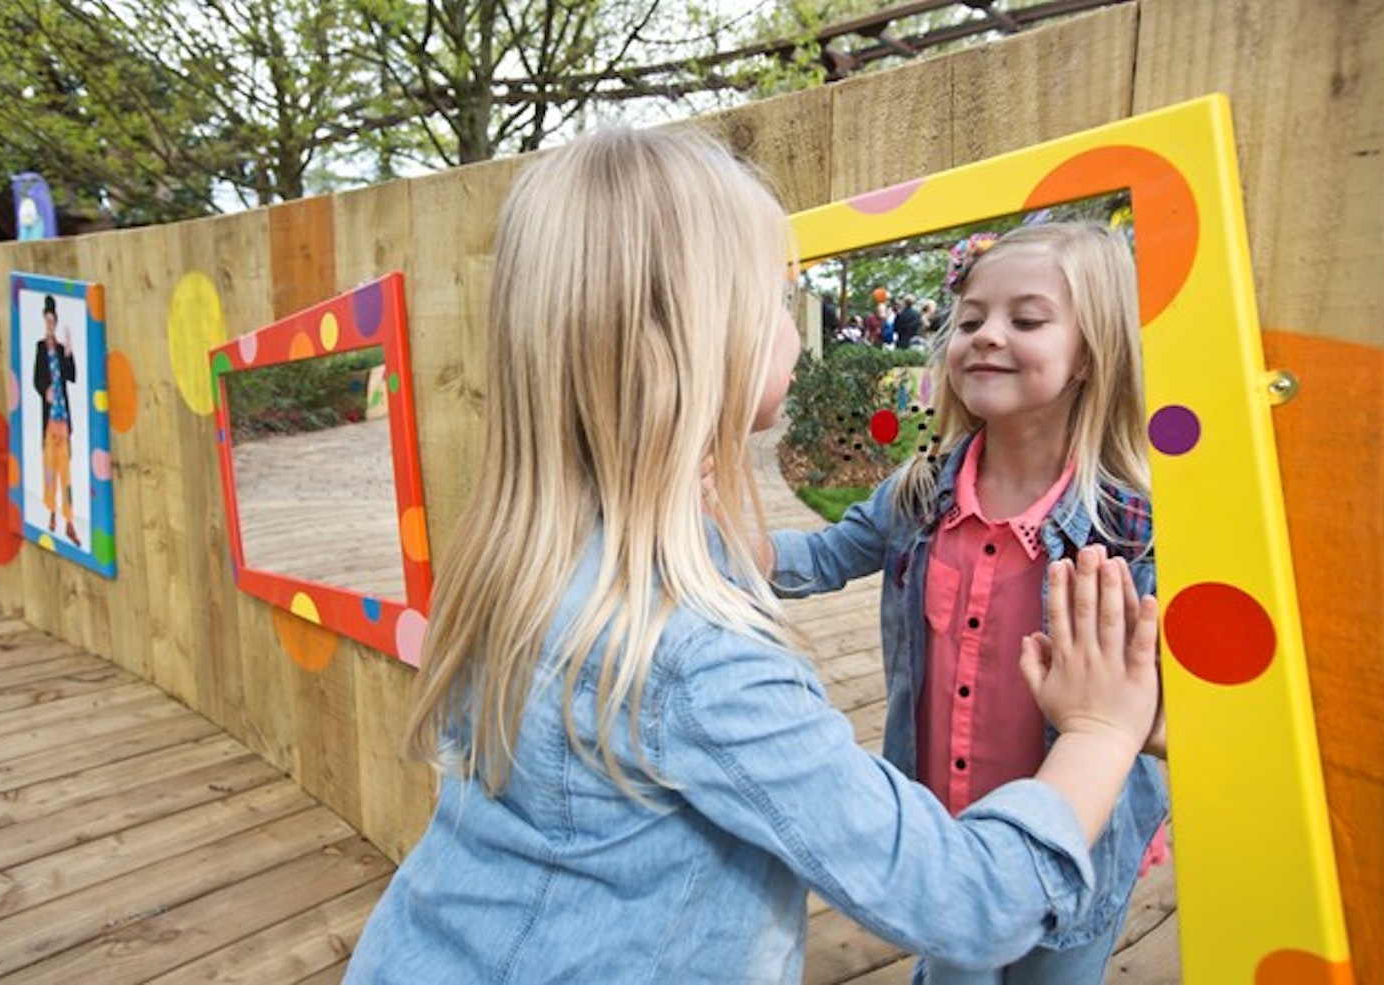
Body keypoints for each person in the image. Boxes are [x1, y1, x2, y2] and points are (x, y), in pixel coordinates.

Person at [344, 133, 1161, 984]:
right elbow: (969, 902)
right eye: (778, 296)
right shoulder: (707, 650)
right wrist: (1104, 728)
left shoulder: (528, 556)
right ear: (700, 342)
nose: (794, 323)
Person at [758, 221, 1168, 985]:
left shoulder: (1132, 531)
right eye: (971, 318)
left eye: (1027, 319)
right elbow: (824, 555)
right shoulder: (919, 491)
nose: (986, 336)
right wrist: (730, 544)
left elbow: (1171, 689)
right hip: (948, 831)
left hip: (1081, 832)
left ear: (1093, 354)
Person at [33, 294, 79, 547]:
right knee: (49, 471)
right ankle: (51, 513)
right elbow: (35, 378)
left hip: (64, 422)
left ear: (56, 321)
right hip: (48, 422)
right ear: (44, 320)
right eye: (47, 319)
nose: (50, 323)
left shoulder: (61, 350)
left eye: (53, 320)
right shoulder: (40, 348)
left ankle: (69, 521)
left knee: (66, 474)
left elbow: (72, 377)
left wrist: (70, 352)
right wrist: (44, 391)